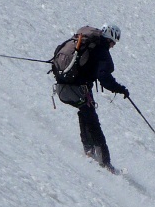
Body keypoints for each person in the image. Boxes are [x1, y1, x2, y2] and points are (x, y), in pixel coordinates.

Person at [53, 23, 129, 173]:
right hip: (78, 90)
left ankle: (89, 151)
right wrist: (120, 89)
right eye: (114, 43)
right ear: (110, 39)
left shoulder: (85, 42)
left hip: (63, 87)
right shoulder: (101, 52)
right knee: (93, 122)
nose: (113, 46)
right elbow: (104, 78)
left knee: (85, 112)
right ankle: (105, 163)